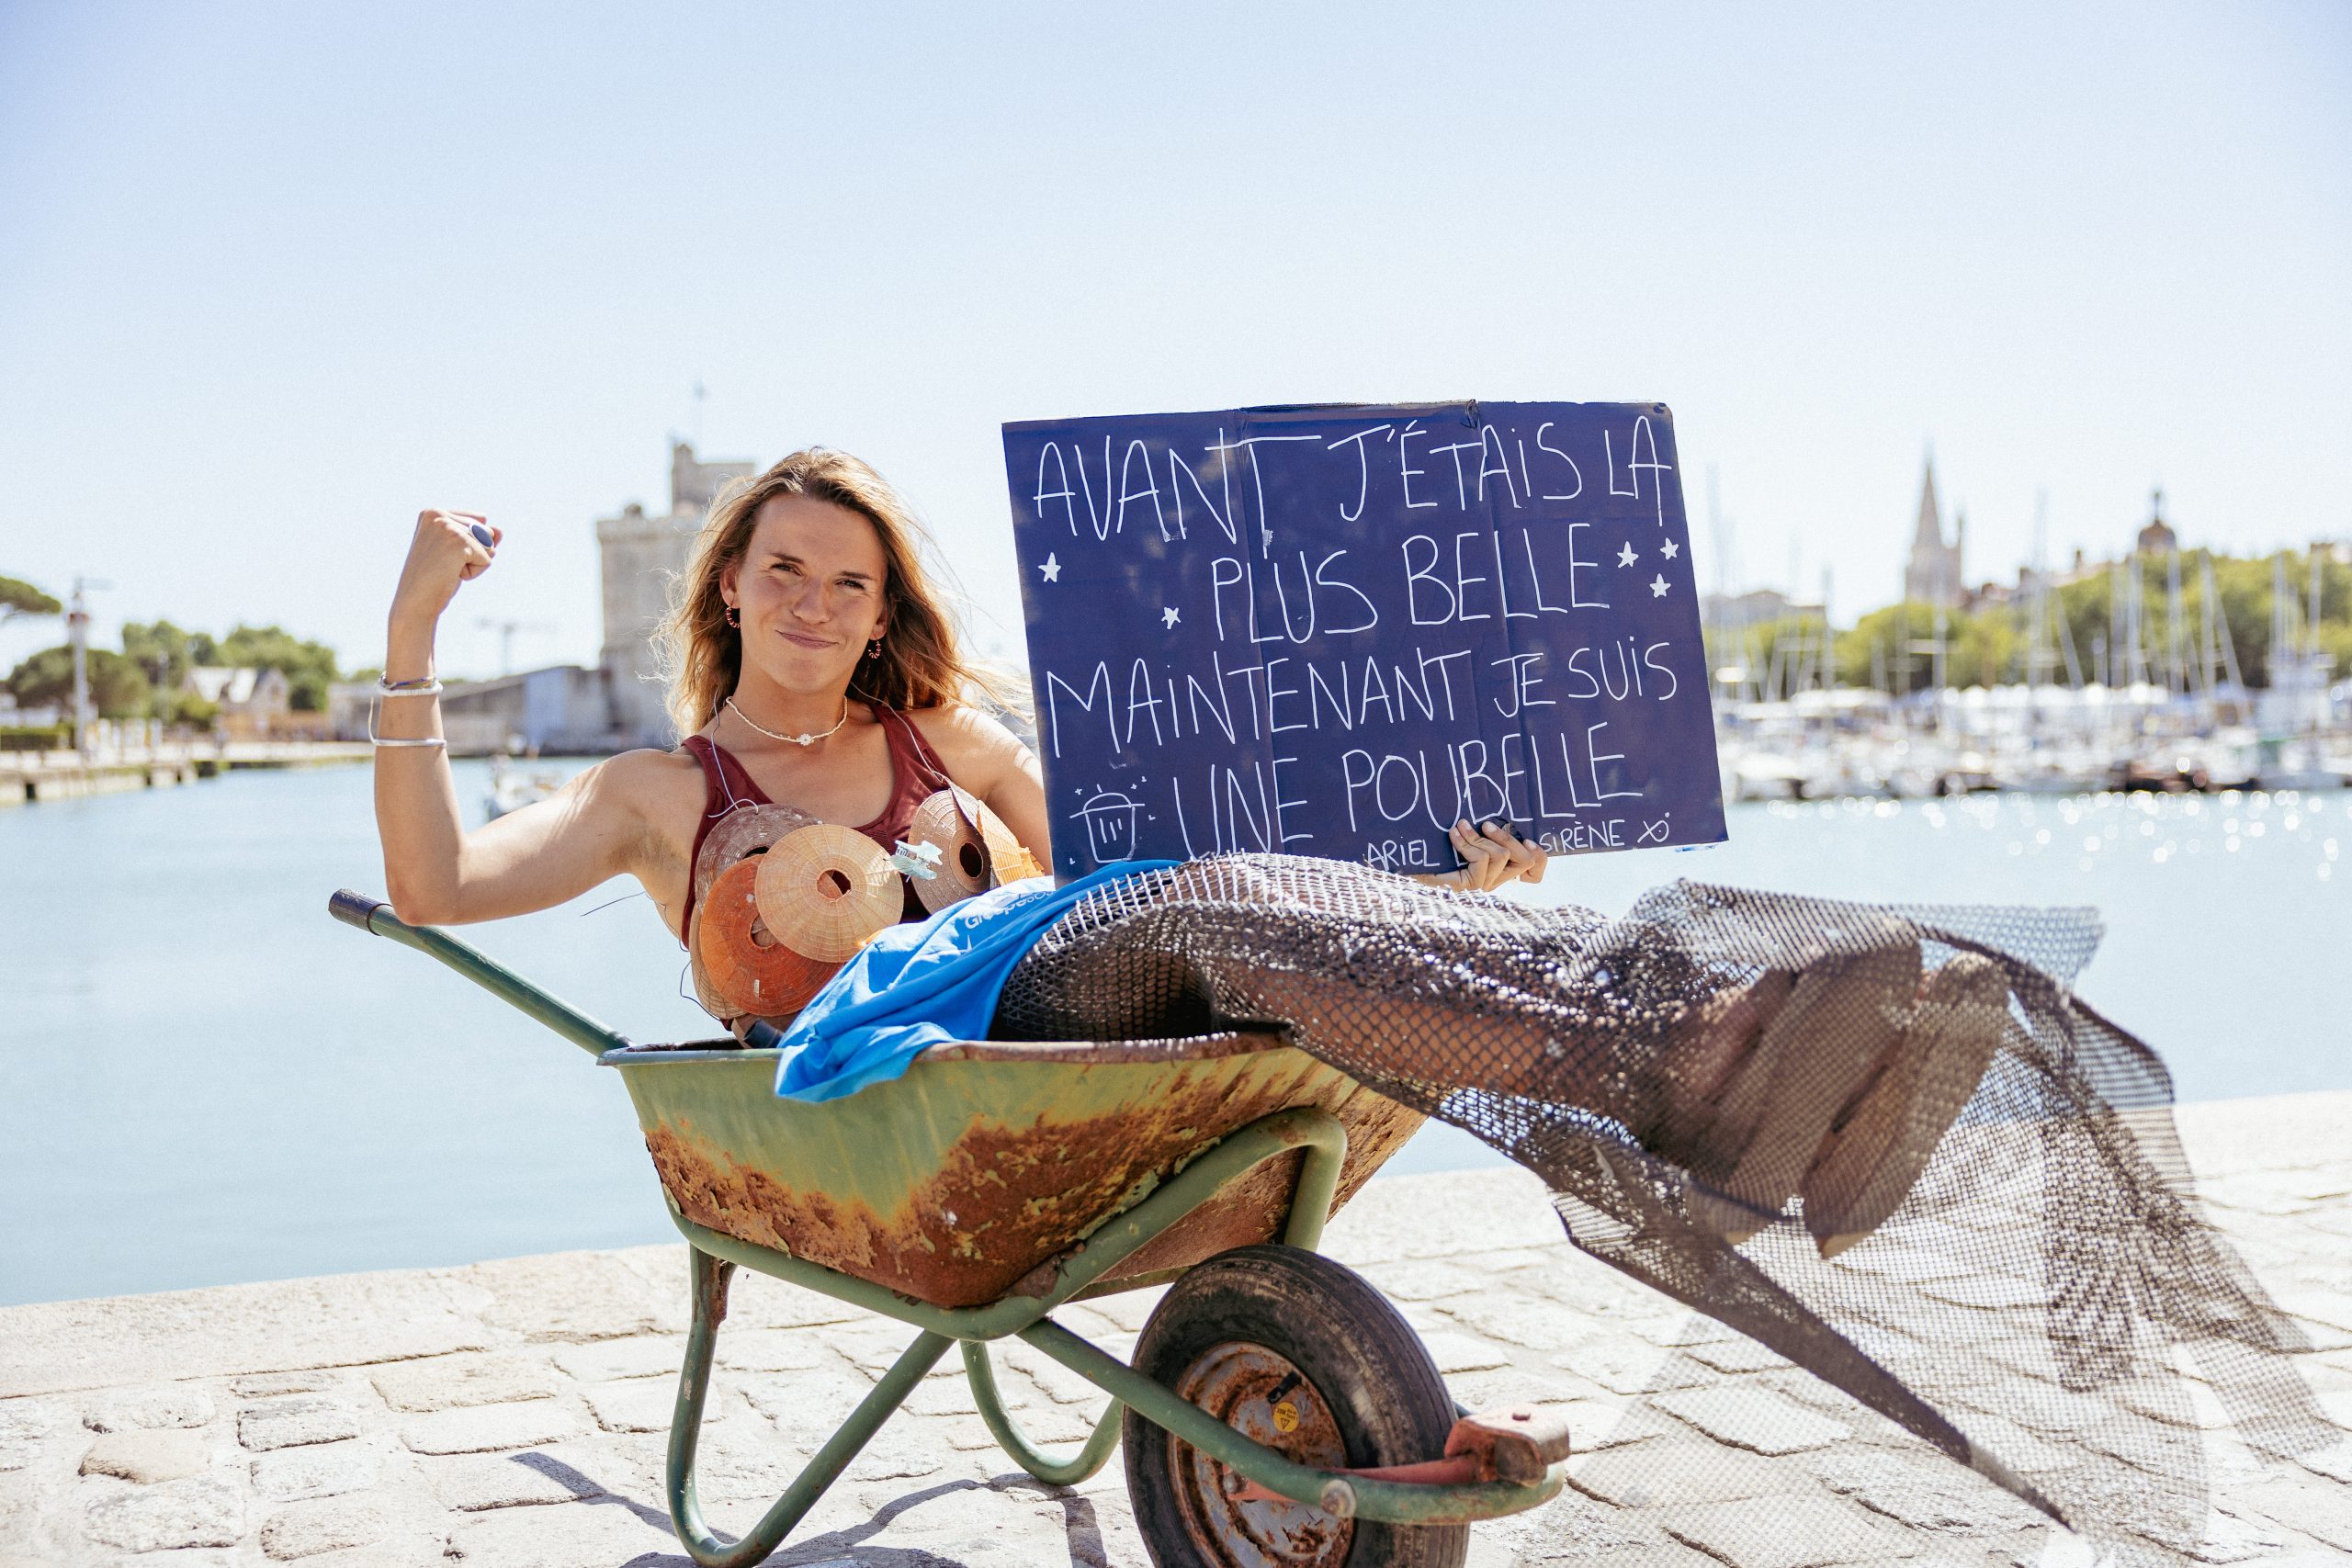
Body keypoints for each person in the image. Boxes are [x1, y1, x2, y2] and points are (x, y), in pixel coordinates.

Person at [371, 448, 2323, 1565]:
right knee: (1202, 900)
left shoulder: (949, 739)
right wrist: (410, 640)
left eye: (852, 581)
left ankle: (1712, 1047)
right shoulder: (662, 790)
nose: (818, 602)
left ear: (885, 609)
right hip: (921, 1070)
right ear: (726, 584)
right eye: (785, 569)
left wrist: (1434, 883)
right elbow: (439, 888)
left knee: (1228, 895)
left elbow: (1179, 844)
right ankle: (1702, 1060)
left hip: (1081, 1027)